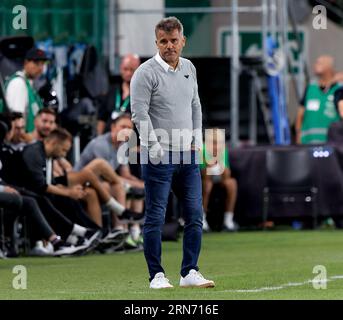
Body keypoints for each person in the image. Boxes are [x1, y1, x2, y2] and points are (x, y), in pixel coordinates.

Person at [130, 16, 214, 289]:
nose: (169, 46)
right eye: (163, 41)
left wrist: (197, 142)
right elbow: (139, 113)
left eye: (174, 41)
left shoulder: (189, 68)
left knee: (194, 214)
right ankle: (156, 275)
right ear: (156, 42)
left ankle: (189, 271)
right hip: (160, 157)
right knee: (156, 215)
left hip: (187, 156)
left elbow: (195, 106)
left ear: (182, 41)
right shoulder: (145, 72)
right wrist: (154, 148)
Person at [295, 55, 342, 144]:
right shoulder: (311, 88)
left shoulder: (339, 89)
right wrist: (298, 134)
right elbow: (300, 114)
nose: (315, 65)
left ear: (329, 67)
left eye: (320, 63)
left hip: (331, 143)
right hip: (308, 142)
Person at [200, 128, 238, 232]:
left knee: (232, 183)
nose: (217, 146)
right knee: (207, 185)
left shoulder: (223, 150)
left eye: (220, 142)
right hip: (205, 180)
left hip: (219, 179)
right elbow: (203, 174)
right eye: (214, 143)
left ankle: (228, 221)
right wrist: (212, 165)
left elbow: (227, 174)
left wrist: (219, 165)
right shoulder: (202, 150)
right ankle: (202, 219)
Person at [5, 47, 48, 133]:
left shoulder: (29, 85)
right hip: (21, 144)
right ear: (26, 62)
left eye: (42, 63)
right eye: (36, 63)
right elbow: (16, 122)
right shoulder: (18, 83)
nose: (40, 68)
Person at [97, 54, 141, 135]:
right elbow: (102, 118)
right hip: (109, 140)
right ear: (120, 69)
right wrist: (99, 138)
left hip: (132, 142)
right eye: (125, 69)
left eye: (132, 70)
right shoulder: (111, 91)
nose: (128, 73)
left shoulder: (144, 95)